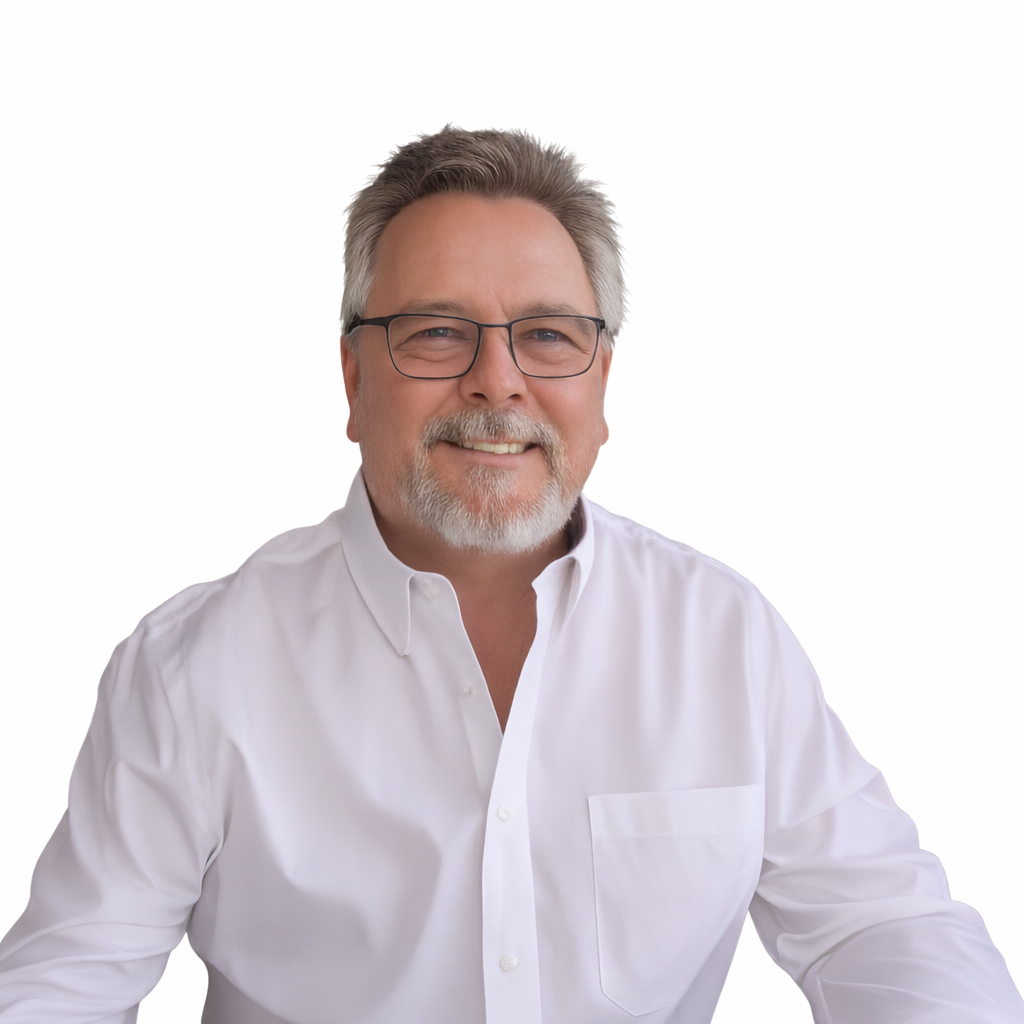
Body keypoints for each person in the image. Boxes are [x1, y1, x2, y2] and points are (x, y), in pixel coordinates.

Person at [0, 127, 1020, 1024]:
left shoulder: (725, 640)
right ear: (353, 380)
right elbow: (70, 978)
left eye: (546, 334)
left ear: (601, 381)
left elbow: (878, 928)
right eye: (437, 332)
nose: (498, 379)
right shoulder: (195, 669)